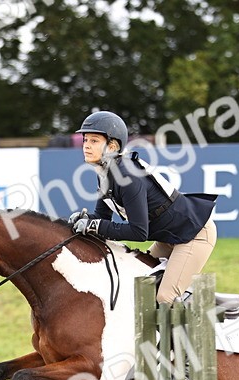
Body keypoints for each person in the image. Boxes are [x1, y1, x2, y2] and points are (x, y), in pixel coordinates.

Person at [68, 111, 217, 303]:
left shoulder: (128, 177)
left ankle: (209, 317)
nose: (86, 146)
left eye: (94, 141)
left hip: (195, 234)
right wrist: (87, 221)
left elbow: (139, 232)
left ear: (112, 146)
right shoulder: (105, 172)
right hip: (168, 238)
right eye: (85, 140)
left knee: (165, 297)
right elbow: (101, 217)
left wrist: (95, 226)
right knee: (137, 285)